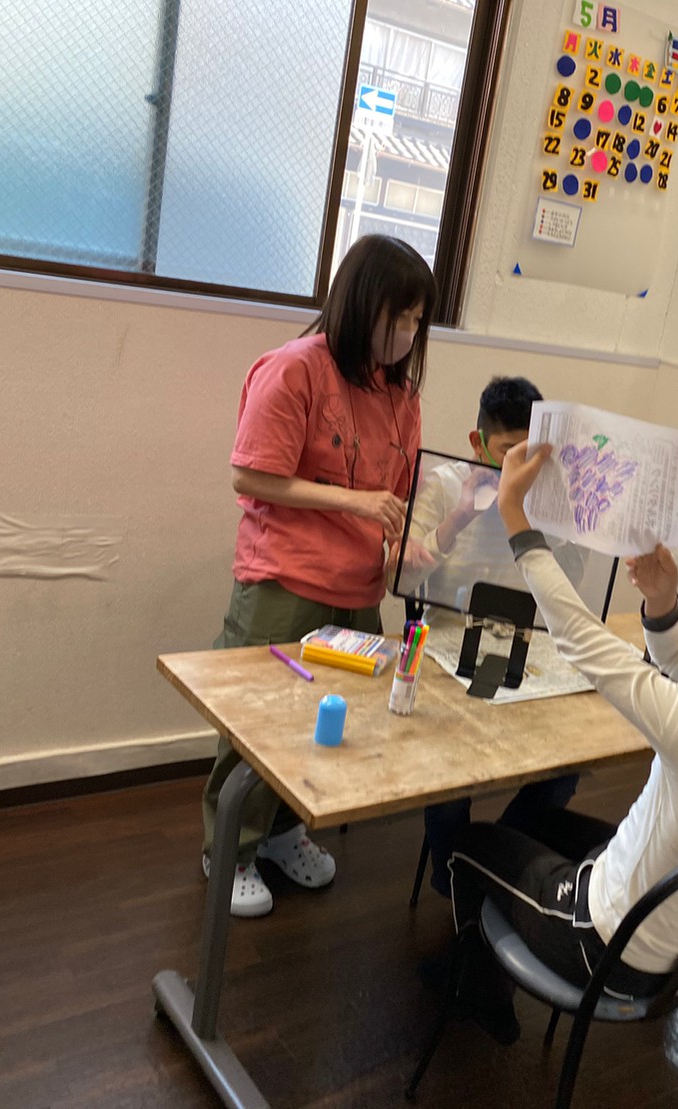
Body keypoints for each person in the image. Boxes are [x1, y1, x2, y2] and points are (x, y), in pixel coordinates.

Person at [435, 439, 678, 1043]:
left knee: (468, 843)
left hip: (609, 949)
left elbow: (581, 639)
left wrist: (518, 519)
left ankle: (478, 994)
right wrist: (661, 601)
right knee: (538, 822)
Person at [200, 235, 436, 919]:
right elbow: (250, 475)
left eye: (417, 320)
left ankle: (281, 834)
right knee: (260, 719)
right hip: (285, 581)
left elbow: (395, 498)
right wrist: (356, 503)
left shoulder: (401, 396)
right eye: (398, 316)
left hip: (357, 589)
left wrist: (403, 549)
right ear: (360, 304)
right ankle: (229, 849)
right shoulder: (295, 369)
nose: (407, 332)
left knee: (328, 720)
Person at [399, 376, 581, 897]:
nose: (521, 466)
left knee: (566, 767)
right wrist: (460, 516)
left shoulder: (544, 491)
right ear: (477, 443)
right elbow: (402, 575)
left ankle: (490, 856)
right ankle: (455, 878)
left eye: (532, 453)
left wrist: (563, 517)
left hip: (528, 650)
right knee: (449, 770)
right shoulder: (443, 485)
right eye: (508, 452)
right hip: (449, 649)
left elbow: (570, 584)